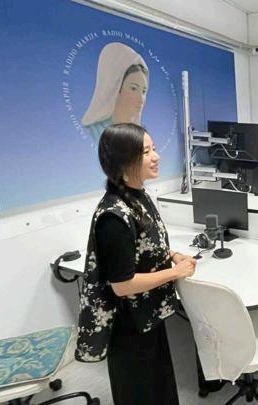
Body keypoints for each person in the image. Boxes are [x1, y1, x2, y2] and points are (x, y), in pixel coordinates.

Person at [75, 123, 196, 404]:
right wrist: (174, 272)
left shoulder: (137, 196)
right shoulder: (113, 216)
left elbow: (143, 247)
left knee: (160, 384)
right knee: (140, 391)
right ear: (124, 161)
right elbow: (122, 285)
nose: (156, 156)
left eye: (154, 149)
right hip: (129, 323)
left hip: (147, 313)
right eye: (146, 152)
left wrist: (172, 256)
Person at [82, 42, 149, 143]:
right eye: (133, 88)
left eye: (143, 91)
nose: (141, 99)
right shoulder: (93, 132)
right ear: (115, 88)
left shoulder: (137, 137)